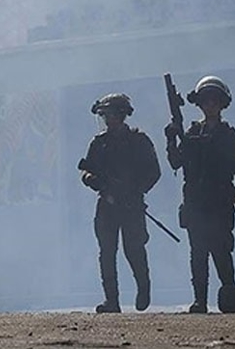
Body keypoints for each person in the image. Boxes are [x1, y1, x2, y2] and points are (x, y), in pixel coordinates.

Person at [164, 75, 235, 313]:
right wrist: (171, 138)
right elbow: (176, 162)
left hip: (220, 202)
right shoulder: (192, 132)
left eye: (214, 101)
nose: (210, 105)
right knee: (198, 254)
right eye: (206, 101)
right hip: (196, 203)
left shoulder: (228, 134)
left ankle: (230, 296)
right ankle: (200, 301)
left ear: (222, 104)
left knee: (222, 251)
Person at [79, 93, 161, 313]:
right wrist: (93, 181)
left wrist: (135, 191)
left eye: (111, 114)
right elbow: (86, 170)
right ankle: (111, 301)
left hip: (131, 205)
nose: (108, 119)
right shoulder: (99, 143)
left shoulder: (139, 141)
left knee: (134, 249)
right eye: (105, 115)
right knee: (107, 252)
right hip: (107, 205)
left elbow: (154, 172)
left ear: (122, 115)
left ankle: (143, 287)